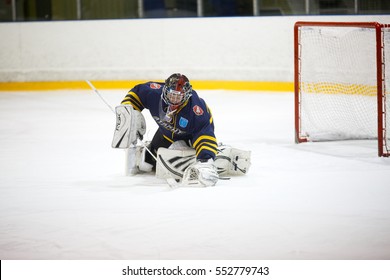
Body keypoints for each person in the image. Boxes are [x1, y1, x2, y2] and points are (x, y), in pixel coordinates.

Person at [119, 73, 219, 186]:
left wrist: (205, 160)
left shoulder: (196, 111)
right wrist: (129, 113)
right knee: (149, 162)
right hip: (166, 133)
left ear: (186, 95)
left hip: (190, 135)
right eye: (172, 95)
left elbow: (204, 134)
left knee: (189, 156)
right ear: (165, 90)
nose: (174, 100)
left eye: (178, 96)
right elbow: (137, 93)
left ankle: (210, 154)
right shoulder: (154, 93)